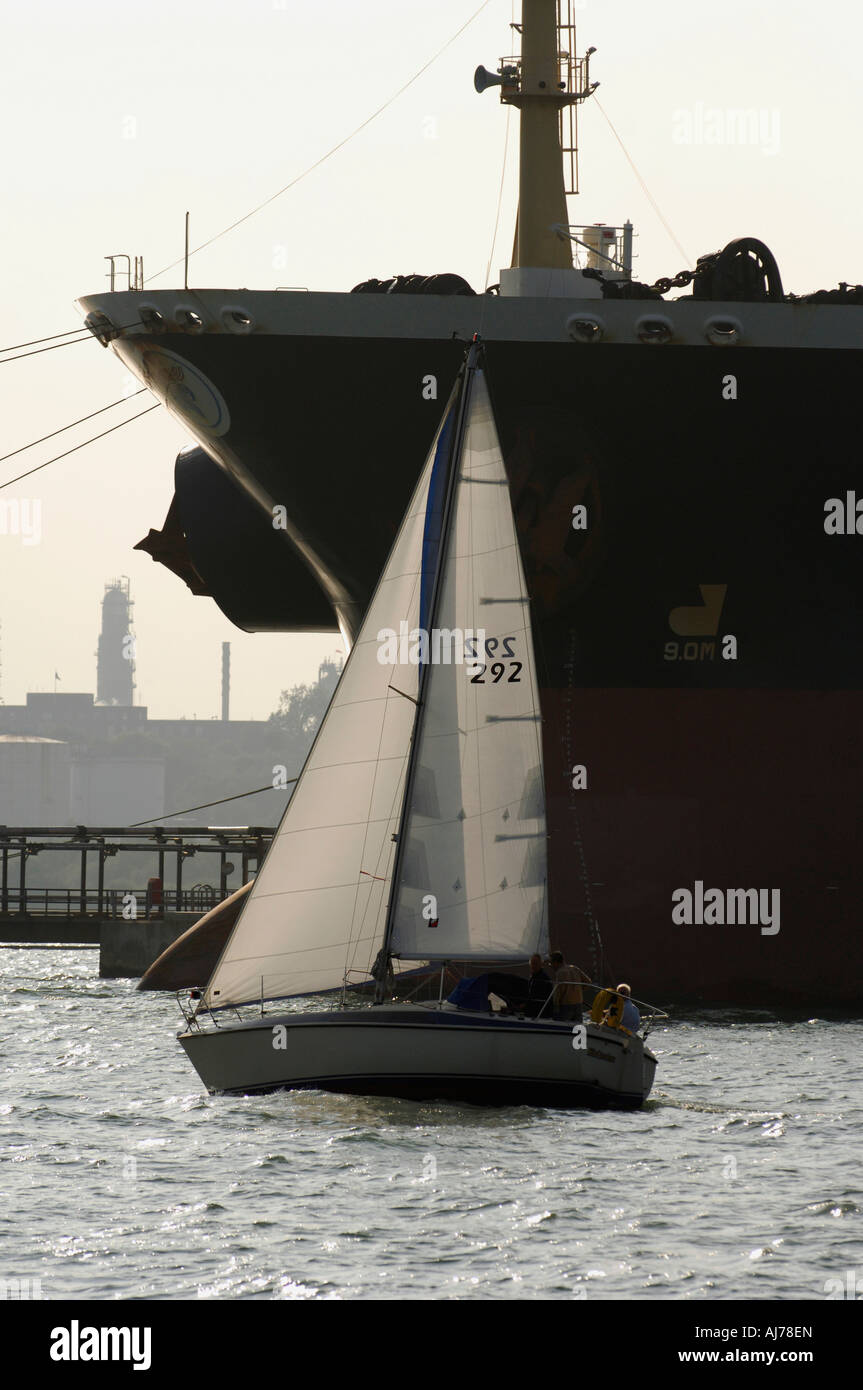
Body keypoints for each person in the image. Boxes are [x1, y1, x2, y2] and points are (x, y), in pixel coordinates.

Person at [548, 951, 590, 1022]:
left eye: (551, 963)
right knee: (578, 1028)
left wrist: (555, 1008)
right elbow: (588, 982)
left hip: (566, 1006)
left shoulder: (560, 973)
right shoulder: (574, 968)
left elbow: (557, 993)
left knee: (563, 1028)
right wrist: (578, 990)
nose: (550, 966)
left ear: (556, 962)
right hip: (578, 1004)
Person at [525, 953, 552, 1018]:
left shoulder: (543, 978)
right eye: (532, 963)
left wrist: (525, 1005)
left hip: (540, 1011)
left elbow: (537, 995)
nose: (533, 966)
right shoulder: (533, 976)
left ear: (541, 964)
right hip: (534, 1008)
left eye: (535, 963)